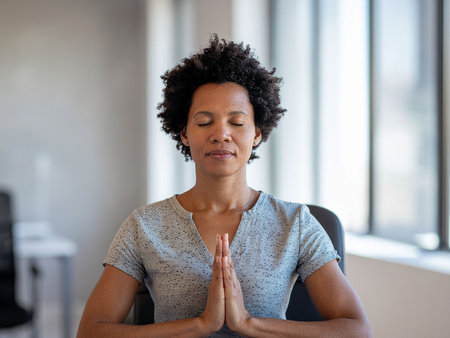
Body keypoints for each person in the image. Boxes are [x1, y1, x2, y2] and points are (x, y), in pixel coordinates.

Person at [77, 35, 372, 338]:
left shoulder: (295, 224)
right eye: (205, 122)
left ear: (257, 133)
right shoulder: (144, 227)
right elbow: (90, 331)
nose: (221, 134)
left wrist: (248, 323)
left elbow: (357, 331)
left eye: (237, 122)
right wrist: (201, 324)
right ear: (184, 133)